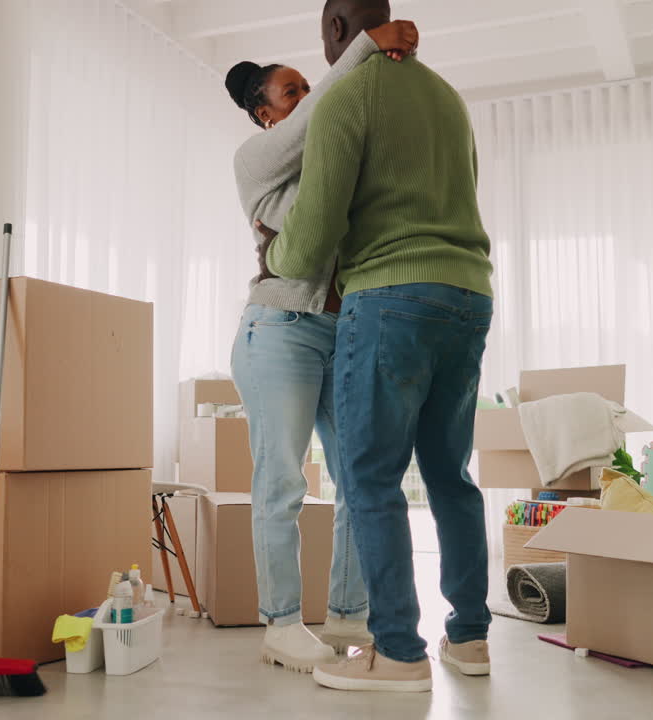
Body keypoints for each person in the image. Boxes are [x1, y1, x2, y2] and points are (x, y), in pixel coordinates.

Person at [260, 0, 494, 693]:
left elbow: (314, 234)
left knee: (367, 476)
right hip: (469, 295)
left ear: (335, 31)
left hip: (391, 296)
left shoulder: (348, 96)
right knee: (450, 473)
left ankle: (396, 652)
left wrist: (277, 254)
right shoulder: (448, 98)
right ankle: (471, 638)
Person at [224, 19, 421, 673]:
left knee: (360, 478)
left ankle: (345, 615)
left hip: (345, 336)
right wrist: (365, 46)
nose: (308, 98)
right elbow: (318, 145)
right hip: (279, 332)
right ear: (264, 115)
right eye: (291, 92)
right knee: (281, 478)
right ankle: (281, 624)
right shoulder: (255, 161)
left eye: (311, 86)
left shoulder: (337, 167)